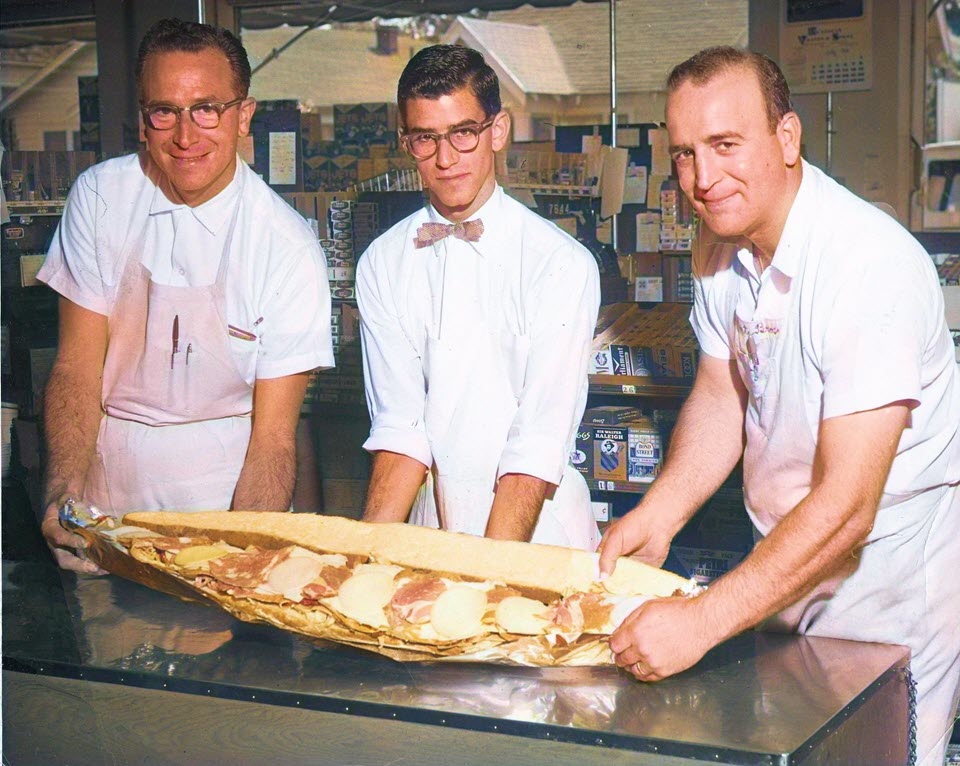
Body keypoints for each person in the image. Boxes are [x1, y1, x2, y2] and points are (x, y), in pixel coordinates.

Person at [599, 46, 960, 766]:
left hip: (880, 583)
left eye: (726, 146)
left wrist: (702, 622)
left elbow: (850, 507)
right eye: (685, 154)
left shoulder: (866, 266)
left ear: (787, 138)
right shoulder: (718, 244)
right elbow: (722, 392)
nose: (703, 179)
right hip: (783, 562)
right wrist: (661, 513)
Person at [38, 19, 333, 573]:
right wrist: (62, 493)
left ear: (243, 116)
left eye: (207, 109)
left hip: (226, 497)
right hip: (105, 489)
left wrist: (239, 556)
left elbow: (273, 439)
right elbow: (77, 366)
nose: (185, 135)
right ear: (143, 121)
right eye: (164, 112)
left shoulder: (285, 244)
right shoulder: (101, 196)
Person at [356, 44, 601, 550]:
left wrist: (488, 575)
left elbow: (536, 440)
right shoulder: (381, 263)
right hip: (430, 528)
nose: (445, 160)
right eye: (426, 139)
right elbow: (401, 430)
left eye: (463, 134)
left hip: (534, 535)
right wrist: (363, 558)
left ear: (497, 130)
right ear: (407, 142)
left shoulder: (560, 263)